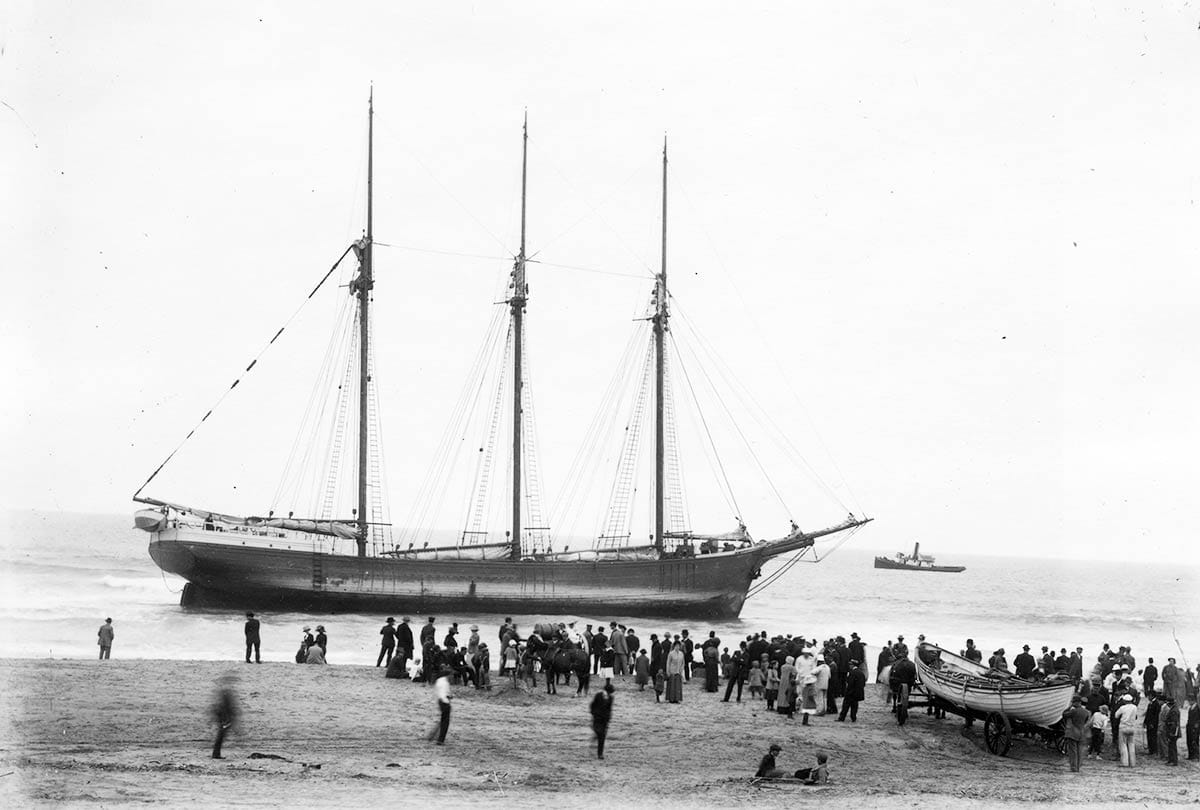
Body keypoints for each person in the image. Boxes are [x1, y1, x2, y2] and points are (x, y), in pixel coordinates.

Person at [210, 674, 239, 759]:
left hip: (222, 716)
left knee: (220, 735)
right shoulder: (226, 694)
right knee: (221, 736)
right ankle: (216, 754)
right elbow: (226, 706)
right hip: (224, 717)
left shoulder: (224, 693)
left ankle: (216, 754)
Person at [1061, 695, 1089, 773]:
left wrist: (1069, 707)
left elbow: (1064, 714)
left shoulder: (1074, 711)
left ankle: (1073, 767)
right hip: (1081, 733)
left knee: (1073, 751)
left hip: (1072, 733)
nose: (1073, 703)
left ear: (1077, 702)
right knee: (1079, 751)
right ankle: (1078, 767)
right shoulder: (1086, 712)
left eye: (1074, 702)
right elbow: (1085, 721)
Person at [590, 683, 615, 759]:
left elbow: (609, 708)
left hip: (604, 719)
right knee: (598, 732)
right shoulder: (598, 695)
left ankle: (600, 754)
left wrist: (608, 717)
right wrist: (594, 713)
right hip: (597, 718)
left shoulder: (610, 698)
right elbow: (592, 705)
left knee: (602, 737)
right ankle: (597, 736)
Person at [1113, 693, 1139, 767]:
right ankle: (1132, 762)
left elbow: (1116, 715)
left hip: (1123, 727)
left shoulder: (1122, 708)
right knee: (1131, 744)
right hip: (1132, 727)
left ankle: (1125, 762)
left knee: (1123, 745)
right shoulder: (1135, 707)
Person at [428, 666, 452, 745]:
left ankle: (432, 736)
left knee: (442, 720)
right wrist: (447, 700)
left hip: (440, 701)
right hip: (444, 702)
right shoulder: (445, 683)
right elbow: (443, 694)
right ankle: (440, 740)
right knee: (445, 722)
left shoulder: (439, 680)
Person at [1163, 696, 1180, 765]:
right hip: (1171, 730)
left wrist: (1171, 733)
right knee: (1170, 746)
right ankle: (1171, 760)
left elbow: (1174, 723)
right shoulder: (1173, 709)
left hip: (1173, 731)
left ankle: (1174, 761)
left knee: (1172, 746)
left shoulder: (1174, 711)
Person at [1186, 697, 1199, 761]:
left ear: (1193, 700)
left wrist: (1196, 725)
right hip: (1189, 726)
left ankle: (1196, 756)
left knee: (1194, 741)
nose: (1189, 702)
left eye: (1189, 701)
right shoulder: (1191, 708)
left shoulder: (1197, 708)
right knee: (1189, 741)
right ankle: (1191, 755)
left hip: (1194, 727)